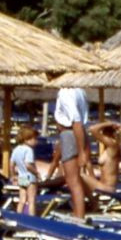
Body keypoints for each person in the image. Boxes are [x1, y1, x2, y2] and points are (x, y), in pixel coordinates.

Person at [52, 86, 93, 218]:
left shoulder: (65, 92)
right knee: (76, 179)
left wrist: (82, 152)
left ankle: (79, 217)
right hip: (77, 134)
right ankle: (84, 208)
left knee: (72, 181)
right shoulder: (80, 90)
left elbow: (76, 122)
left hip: (71, 134)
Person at [11, 125, 39, 216]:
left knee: (22, 199)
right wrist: (36, 173)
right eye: (34, 139)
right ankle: (32, 218)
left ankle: (18, 216)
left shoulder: (16, 149)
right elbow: (28, 165)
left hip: (21, 176)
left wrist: (13, 176)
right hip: (30, 177)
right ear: (27, 139)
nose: (36, 141)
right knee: (31, 200)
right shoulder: (29, 150)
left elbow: (11, 164)